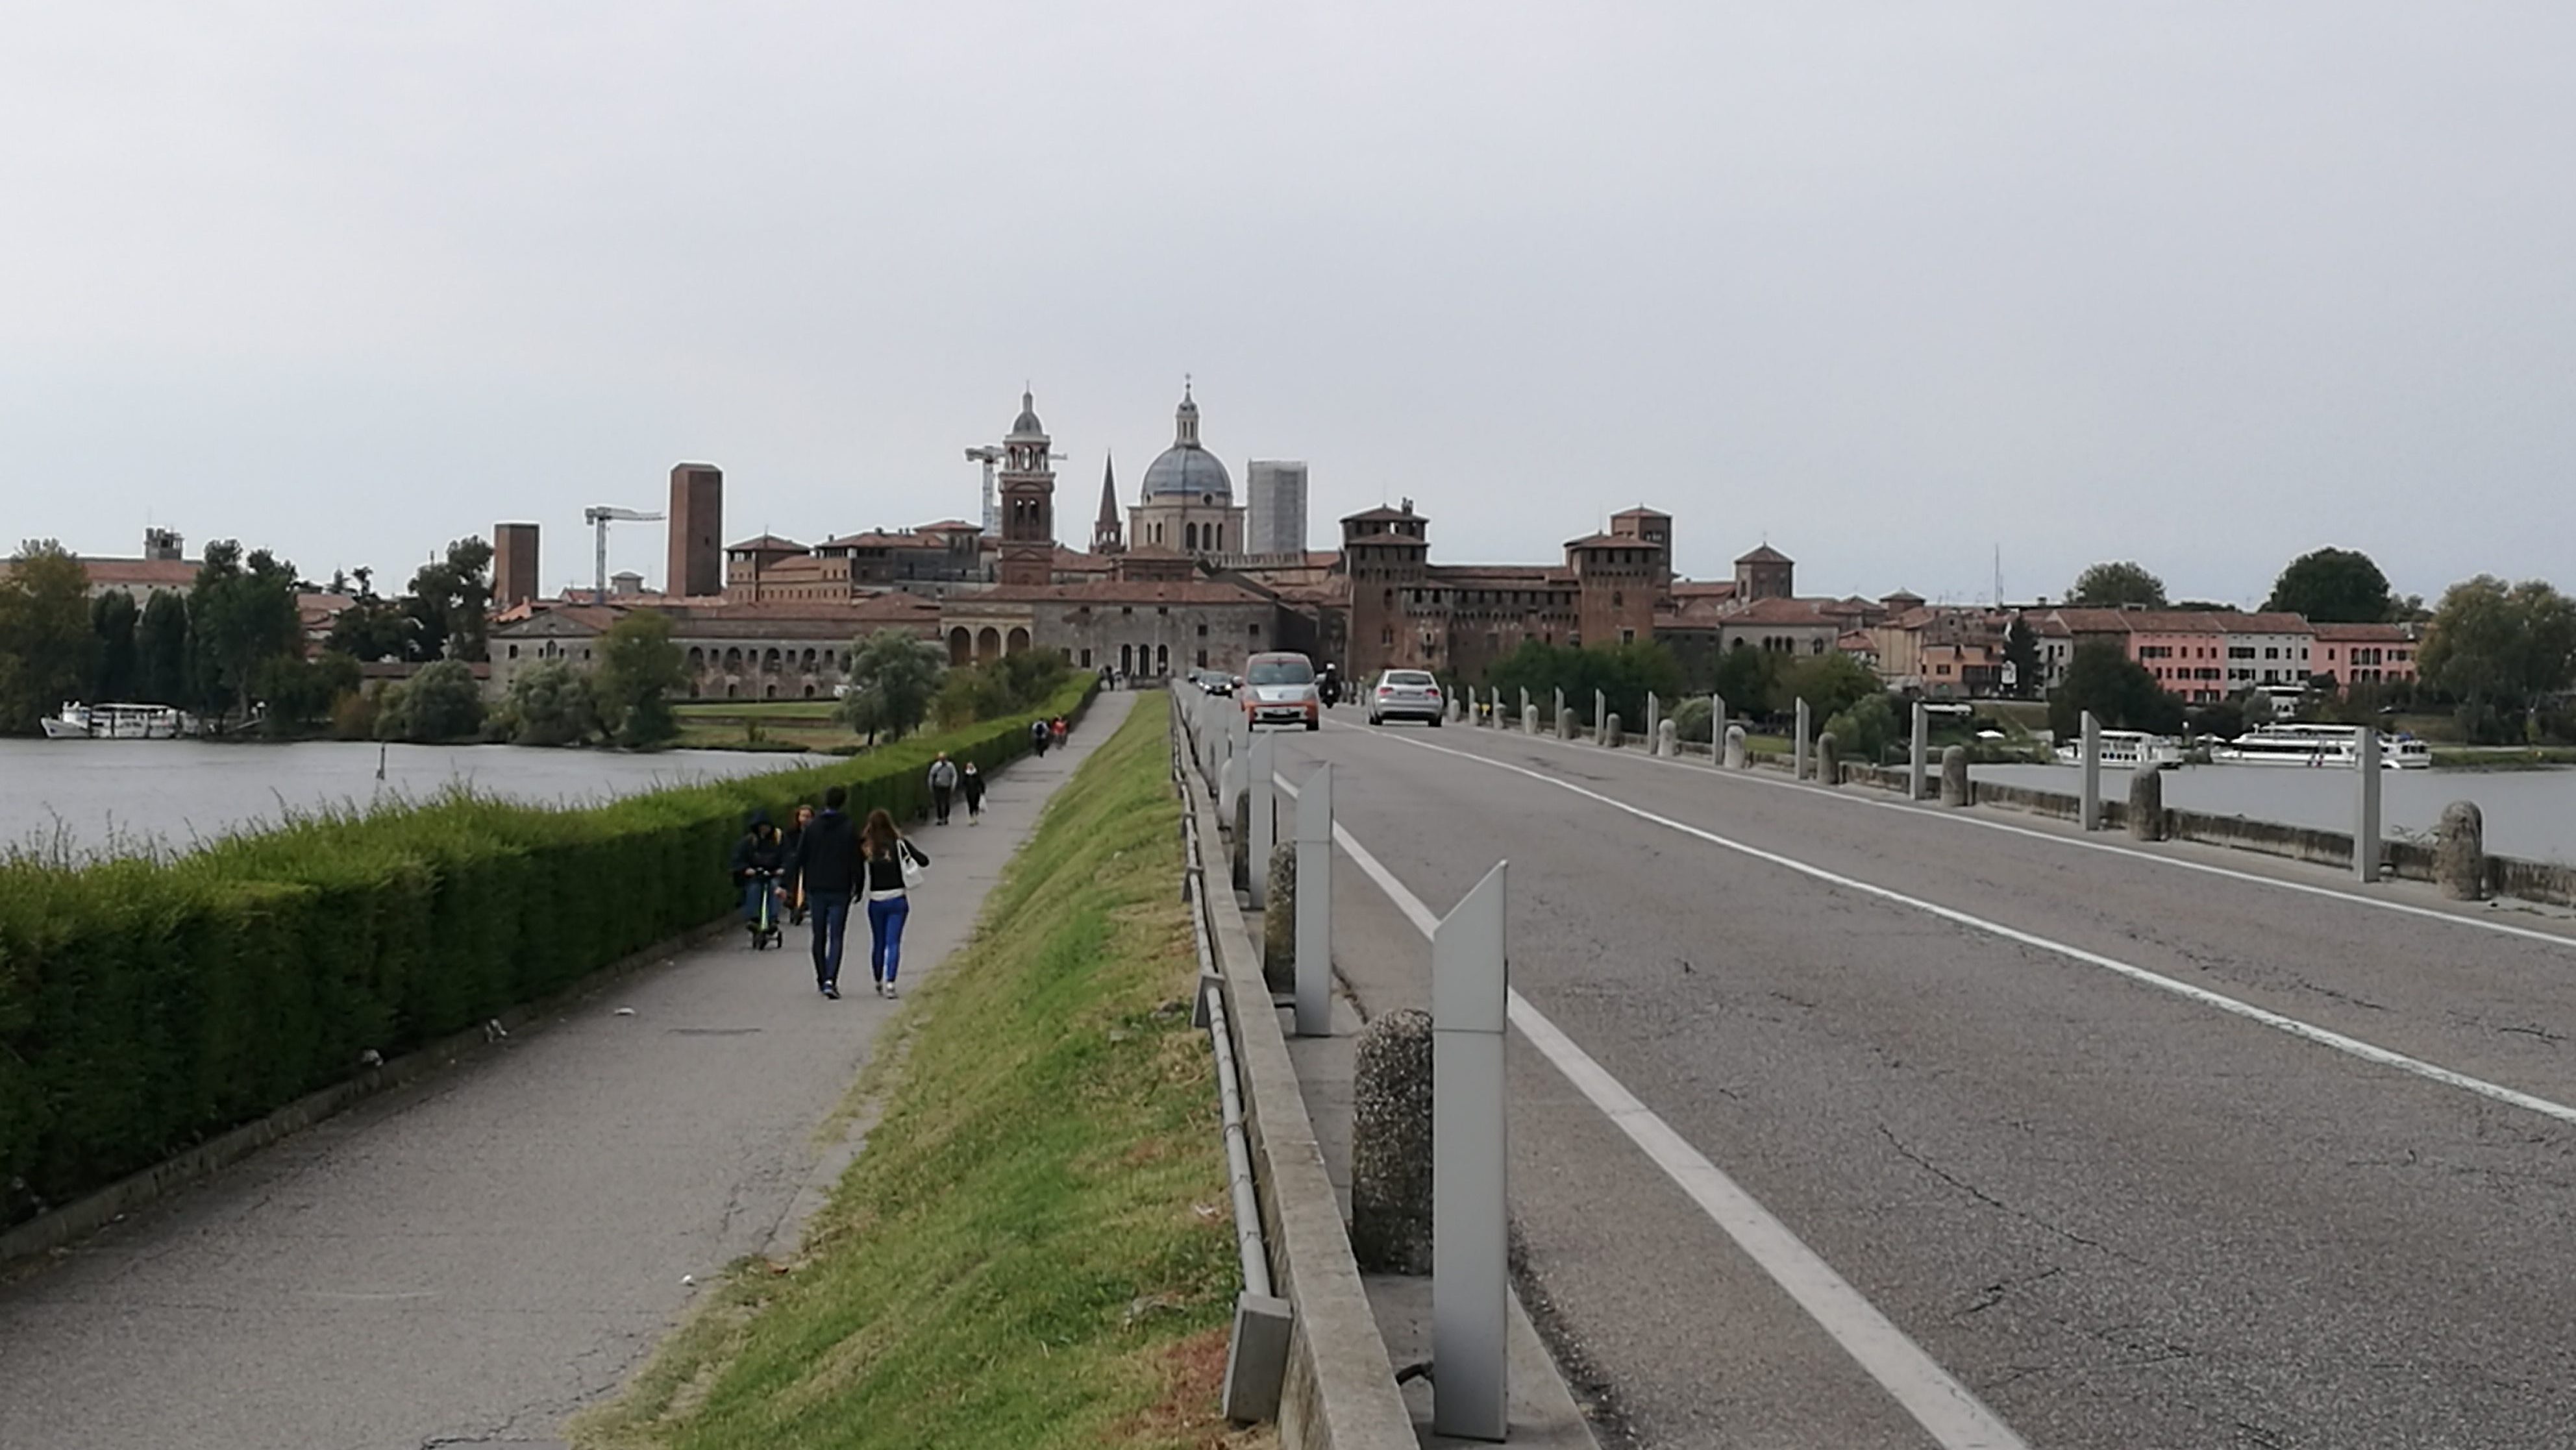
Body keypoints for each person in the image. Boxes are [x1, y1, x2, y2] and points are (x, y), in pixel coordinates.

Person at [787, 785, 861, 998]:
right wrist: (859, 884)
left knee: (818, 935)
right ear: (843, 802)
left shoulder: (812, 828)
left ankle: (821, 977)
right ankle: (831, 979)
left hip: (816, 886)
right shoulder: (848, 827)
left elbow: (800, 856)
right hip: (840, 887)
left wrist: (789, 883)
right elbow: (855, 859)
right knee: (836, 935)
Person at [860, 807, 928, 998]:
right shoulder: (898, 843)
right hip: (897, 898)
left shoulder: (867, 846)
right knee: (894, 942)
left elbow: (854, 868)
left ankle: (877, 979)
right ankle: (891, 982)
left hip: (876, 900)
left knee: (878, 942)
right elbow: (924, 861)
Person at [728, 811, 787, 935]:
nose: (764, 829)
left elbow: (787, 856)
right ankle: (753, 919)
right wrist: (745, 869)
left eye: (766, 826)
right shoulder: (748, 842)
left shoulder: (777, 841)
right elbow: (738, 858)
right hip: (755, 876)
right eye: (761, 827)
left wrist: (783, 868)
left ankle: (772, 919)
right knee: (754, 889)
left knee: (774, 888)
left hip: (773, 874)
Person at [781, 803, 815, 924]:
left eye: (808, 816)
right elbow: (787, 848)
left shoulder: (815, 832)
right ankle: (791, 897)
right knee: (791, 869)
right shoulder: (791, 833)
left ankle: (807, 900)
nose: (805, 819)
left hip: (810, 861)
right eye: (803, 816)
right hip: (795, 861)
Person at [927, 752, 960, 826]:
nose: (942, 760)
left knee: (946, 802)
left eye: (943, 758)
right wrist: (931, 785)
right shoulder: (936, 766)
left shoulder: (950, 766)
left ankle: (946, 817)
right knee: (938, 802)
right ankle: (940, 818)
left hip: (947, 786)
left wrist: (953, 785)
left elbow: (954, 775)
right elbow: (931, 775)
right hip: (938, 786)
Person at [960, 760, 985, 825]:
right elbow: (963, 784)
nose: (970, 768)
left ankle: (976, 818)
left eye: (971, 766)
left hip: (977, 792)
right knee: (970, 805)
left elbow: (981, 783)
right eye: (969, 767)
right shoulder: (966, 775)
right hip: (969, 792)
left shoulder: (977, 774)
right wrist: (963, 790)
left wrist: (983, 791)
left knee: (976, 805)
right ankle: (971, 819)